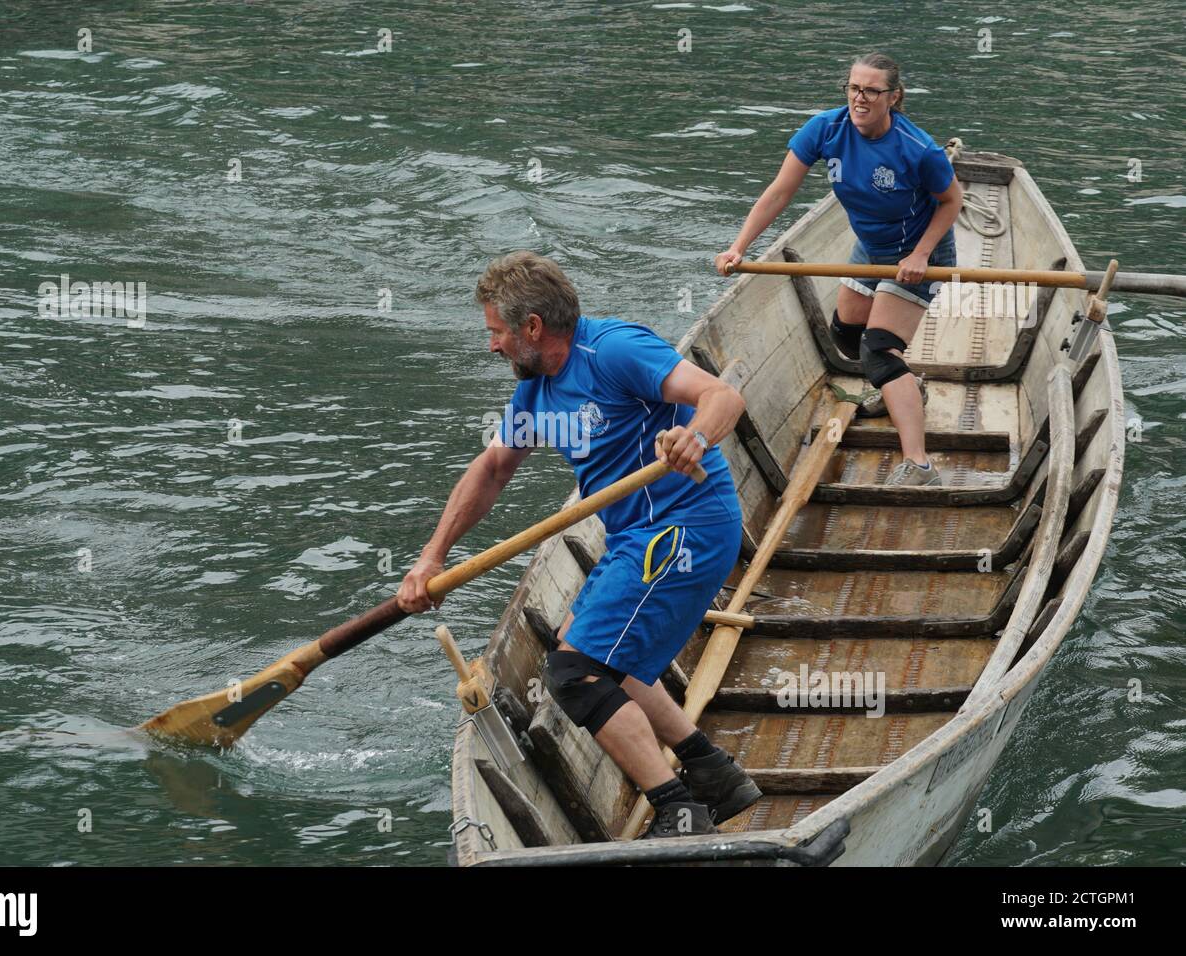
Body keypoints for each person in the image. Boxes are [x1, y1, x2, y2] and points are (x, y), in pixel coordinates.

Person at [397, 251, 762, 838]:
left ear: (532, 327)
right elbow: (492, 470)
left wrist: (693, 437)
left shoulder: (614, 351)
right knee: (600, 655)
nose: (491, 346)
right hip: (636, 536)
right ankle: (714, 774)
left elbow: (722, 397)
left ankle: (680, 809)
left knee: (573, 672)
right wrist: (431, 557)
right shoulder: (535, 394)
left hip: (686, 527)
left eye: (496, 332)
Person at [716, 52, 964, 486]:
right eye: (853, 88)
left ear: (894, 97)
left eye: (871, 90)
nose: (860, 98)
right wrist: (738, 247)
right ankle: (906, 388)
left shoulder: (918, 149)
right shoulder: (825, 129)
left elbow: (951, 201)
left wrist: (921, 255)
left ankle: (919, 465)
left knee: (878, 350)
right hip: (870, 247)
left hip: (918, 254)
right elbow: (779, 193)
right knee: (846, 336)